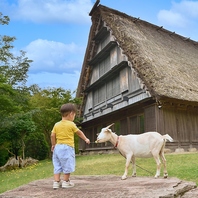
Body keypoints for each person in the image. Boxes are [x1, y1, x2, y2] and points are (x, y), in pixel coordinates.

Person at [51, 103, 90, 189]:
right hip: (67, 147)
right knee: (67, 164)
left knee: (57, 165)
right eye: (74, 115)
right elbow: (79, 133)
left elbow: (52, 135)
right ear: (71, 114)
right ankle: (66, 182)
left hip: (57, 147)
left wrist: (53, 144)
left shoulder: (56, 124)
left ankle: (56, 182)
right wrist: (86, 139)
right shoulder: (71, 124)